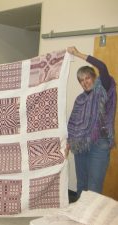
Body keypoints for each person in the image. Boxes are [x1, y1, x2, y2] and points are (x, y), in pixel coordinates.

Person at [67, 46, 116, 199]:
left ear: (94, 77)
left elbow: (102, 66)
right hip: (80, 145)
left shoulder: (103, 89)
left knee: (94, 188)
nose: (85, 82)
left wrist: (77, 53)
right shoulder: (80, 99)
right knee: (81, 185)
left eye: (87, 78)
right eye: (81, 80)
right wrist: (68, 143)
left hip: (99, 145)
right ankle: (79, 221)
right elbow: (73, 123)